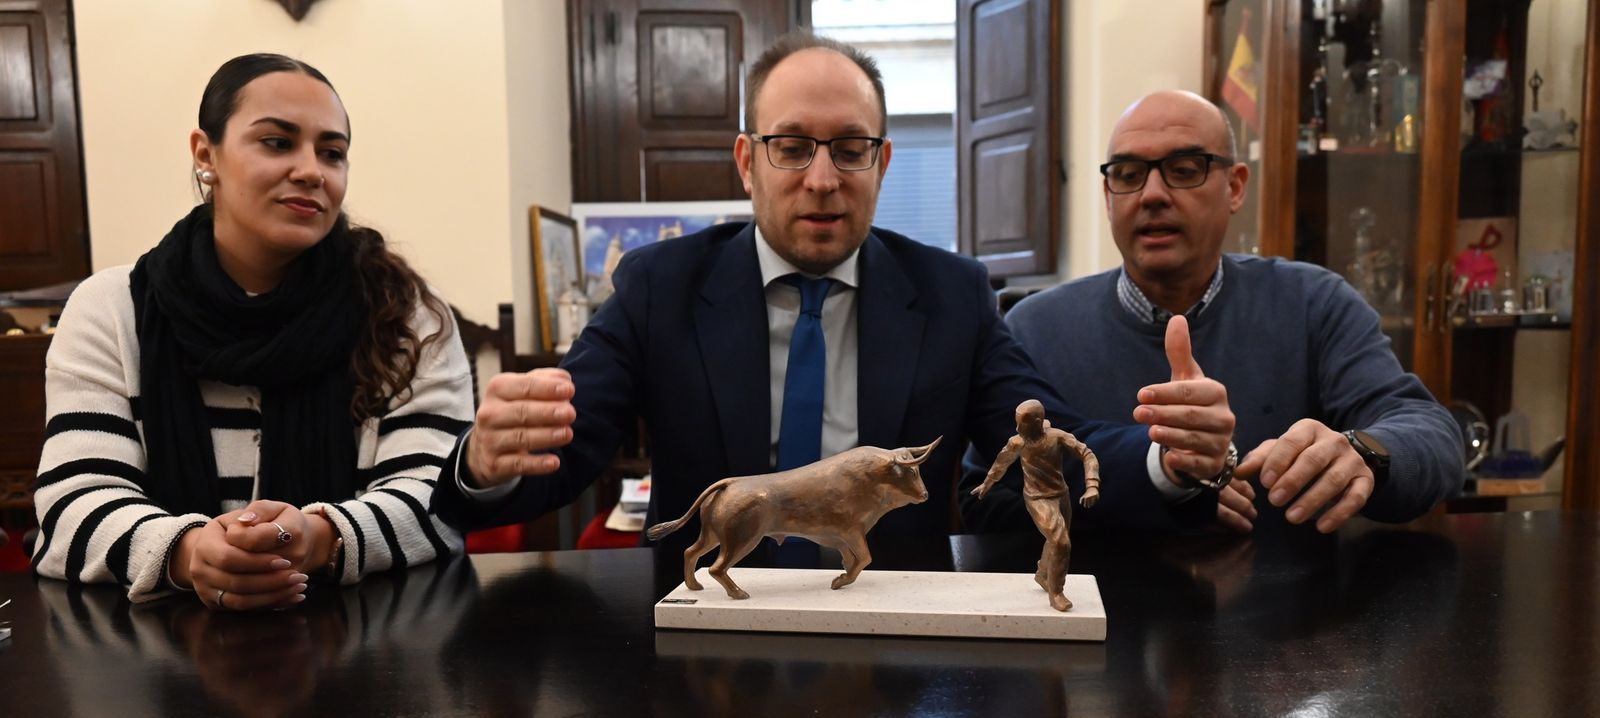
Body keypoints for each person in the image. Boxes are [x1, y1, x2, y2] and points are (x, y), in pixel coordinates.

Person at [431, 34, 1235, 548]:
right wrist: (489, 460)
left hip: (895, 644)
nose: (822, 180)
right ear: (747, 162)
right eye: (791, 148)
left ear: (883, 165)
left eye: (850, 149)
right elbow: (566, 451)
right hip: (707, 634)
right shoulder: (659, 284)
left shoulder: (952, 293)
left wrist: (1172, 461)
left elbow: (1043, 441)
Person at [33, 54, 474, 609]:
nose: (313, 169)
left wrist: (319, 538)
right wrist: (190, 552)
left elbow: (437, 495)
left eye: (332, 153)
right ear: (205, 154)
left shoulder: (405, 315)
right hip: (156, 658)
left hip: (365, 651)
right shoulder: (110, 309)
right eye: (276, 142)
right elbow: (74, 502)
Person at [992, 90, 1463, 534]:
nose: (1152, 194)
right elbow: (988, 507)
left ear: (1236, 187)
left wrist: (1363, 454)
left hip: (1291, 609)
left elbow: (1433, 437)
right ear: (1107, 195)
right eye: (1128, 174)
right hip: (1100, 609)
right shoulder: (1034, 328)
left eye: (1184, 168)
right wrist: (1170, 494)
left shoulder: (1313, 303)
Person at [970, 400, 1100, 611]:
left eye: (1022, 424)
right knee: (1061, 542)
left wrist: (1092, 484)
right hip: (1037, 498)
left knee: (1056, 540)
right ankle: (1056, 592)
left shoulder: (1057, 437)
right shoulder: (1017, 442)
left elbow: (1087, 454)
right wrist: (986, 484)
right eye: (1017, 423)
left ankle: (1042, 574)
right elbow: (1000, 464)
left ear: (1038, 422)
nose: (1018, 429)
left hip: (1061, 494)